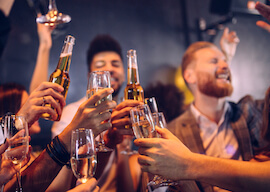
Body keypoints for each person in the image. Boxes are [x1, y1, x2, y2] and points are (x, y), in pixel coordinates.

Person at [134, 86, 270, 192]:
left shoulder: (247, 112)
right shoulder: (174, 129)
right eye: (213, 61)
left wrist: (187, 163)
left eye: (224, 61)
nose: (223, 65)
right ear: (189, 75)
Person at [3, 83, 116, 191]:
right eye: (25, 105)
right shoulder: (10, 160)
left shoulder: (29, 155)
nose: (31, 107)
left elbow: (59, 187)